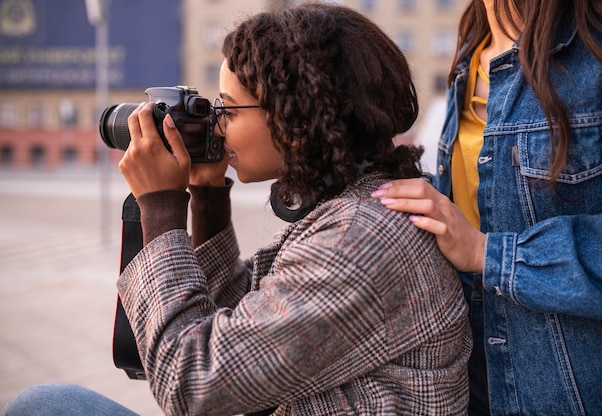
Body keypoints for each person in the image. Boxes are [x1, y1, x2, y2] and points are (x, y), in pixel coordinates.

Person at [1, 4, 472, 416]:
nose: (217, 126)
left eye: (226, 108)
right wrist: (208, 195)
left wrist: (161, 206)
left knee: (40, 405)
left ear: (295, 119)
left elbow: (193, 386)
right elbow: (244, 325)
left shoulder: (361, 240)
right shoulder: (357, 205)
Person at [372, 0, 602, 415]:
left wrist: (488, 253)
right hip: (474, 381)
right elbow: (486, 203)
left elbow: (480, 239)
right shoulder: (474, 45)